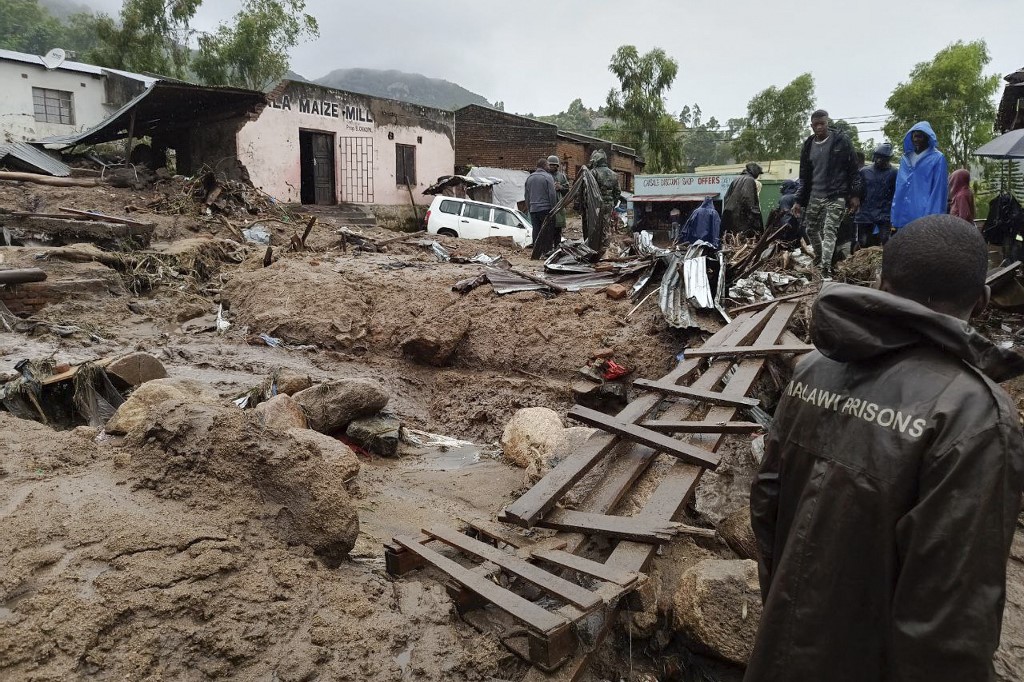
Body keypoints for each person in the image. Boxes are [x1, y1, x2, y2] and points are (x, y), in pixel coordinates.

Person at [745, 213, 1024, 682]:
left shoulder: (814, 370)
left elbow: (767, 505)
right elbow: (952, 618)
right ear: (983, 299)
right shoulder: (972, 414)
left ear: (881, 282)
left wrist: (785, 611)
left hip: (782, 650)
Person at [793, 110, 862, 280]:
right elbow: (804, 176)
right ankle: (819, 258)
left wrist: (855, 195)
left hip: (836, 194)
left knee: (829, 231)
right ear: (811, 125)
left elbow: (853, 170)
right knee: (811, 229)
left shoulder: (841, 141)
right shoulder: (808, 145)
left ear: (827, 122)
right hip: (815, 194)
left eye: (822, 123)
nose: (819, 127)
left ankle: (825, 270)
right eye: (815, 124)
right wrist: (798, 200)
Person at [891, 121, 948, 229]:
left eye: (920, 137)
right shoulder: (905, 158)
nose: (916, 140)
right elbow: (899, 187)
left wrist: (933, 218)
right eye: (914, 136)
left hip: (923, 213)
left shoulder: (937, 158)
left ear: (927, 138)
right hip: (903, 215)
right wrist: (895, 214)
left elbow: (939, 190)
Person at [854, 143, 898, 248]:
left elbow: (895, 193)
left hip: (884, 213)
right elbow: (857, 191)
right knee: (863, 242)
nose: (879, 160)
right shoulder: (865, 171)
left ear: (888, 159)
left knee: (885, 242)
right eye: (877, 157)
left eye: (882, 158)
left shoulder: (894, 173)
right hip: (865, 212)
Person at [587, 149, 621, 254]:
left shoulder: (593, 172)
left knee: (595, 227)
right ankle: (605, 248)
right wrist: (613, 203)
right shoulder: (614, 174)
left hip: (596, 205)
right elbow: (618, 192)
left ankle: (594, 248)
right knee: (606, 227)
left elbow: (589, 189)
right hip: (609, 204)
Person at [524, 157, 558, 255]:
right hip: (546, 209)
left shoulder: (529, 178)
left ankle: (536, 252)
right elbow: (552, 194)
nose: (549, 166)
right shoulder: (548, 177)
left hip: (533, 209)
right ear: (544, 166)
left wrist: (530, 208)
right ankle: (546, 252)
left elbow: (526, 195)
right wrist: (553, 209)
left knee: (536, 231)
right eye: (547, 165)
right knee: (547, 231)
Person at [722, 162, 764, 234]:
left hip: (730, 219)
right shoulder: (749, 180)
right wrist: (757, 221)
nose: (758, 176)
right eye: (758, 173)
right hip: (742, 221)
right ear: (755, 171)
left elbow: (726, 197)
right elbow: (749, 201)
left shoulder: (736, 179)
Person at [548, 155, 570, 244]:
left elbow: (567, 190)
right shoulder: (545, 175)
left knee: (558, 230)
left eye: (554, 165)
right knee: (548, 230)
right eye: (550, 165)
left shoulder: (561, 176)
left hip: (559, 206)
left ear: (557, 166)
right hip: (548, 204)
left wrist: (560, 187)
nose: (552, 167)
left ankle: (557, 248)